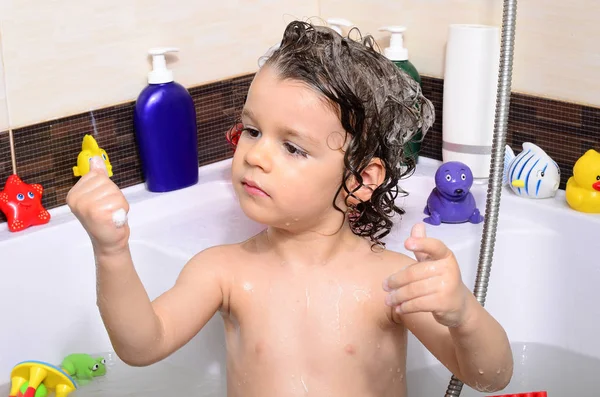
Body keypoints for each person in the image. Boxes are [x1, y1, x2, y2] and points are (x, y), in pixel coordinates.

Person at [66, 20, 513, 397]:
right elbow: (142, 346)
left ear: (359, 180)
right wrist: (112, 252)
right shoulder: (223, 272)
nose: (255, 155)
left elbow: (489, 376)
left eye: (293, 148)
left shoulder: (389, 282)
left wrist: (464, 314)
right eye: (253, 130)